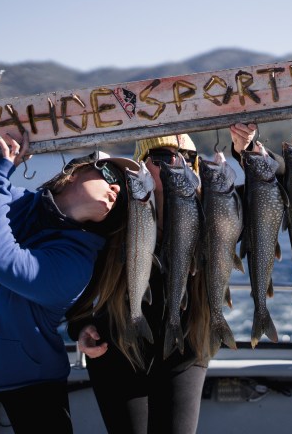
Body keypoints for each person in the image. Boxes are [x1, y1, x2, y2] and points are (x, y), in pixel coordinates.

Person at [0, 131, 138, 433]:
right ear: (74, 173)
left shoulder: (78, 262)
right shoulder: (14, 200)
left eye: (123, 190)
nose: (116, 187)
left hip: (34, 382)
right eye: (110, 173)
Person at [67, 133, 211, 434]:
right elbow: (80, 276)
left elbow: (272, 183)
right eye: (162, 157)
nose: (175, 164)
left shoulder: (211, 211)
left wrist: (247, 148)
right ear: (140, 167)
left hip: (184, 351)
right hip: (117, 350)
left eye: (186, 158)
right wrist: (79, 326)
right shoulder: (111, 213)